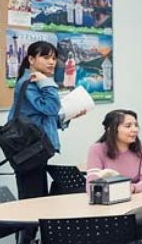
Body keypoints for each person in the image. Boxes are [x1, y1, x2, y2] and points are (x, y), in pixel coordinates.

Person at [7, 41, 87, 202]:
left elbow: (41, 118)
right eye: (45, 57)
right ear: (31, 59)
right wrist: (46, 81)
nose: (51, 62)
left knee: (39, 197)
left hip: (36, 148)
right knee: (32, 200)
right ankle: (29, 228)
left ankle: (33, 227)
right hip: (29, 149)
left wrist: (68, 116)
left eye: (54, 58)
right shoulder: (29, 82)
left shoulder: (35, 82)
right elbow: (50, 108)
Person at [85, 109, 142, 194]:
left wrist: (132, 188)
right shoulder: (96, 149)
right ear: (111, 129)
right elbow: (92, 184)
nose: (135, 130)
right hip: (107, 202)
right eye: (128, 126)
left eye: (136, 125)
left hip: (137, 200)